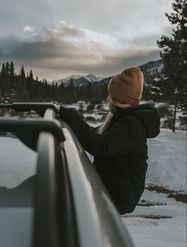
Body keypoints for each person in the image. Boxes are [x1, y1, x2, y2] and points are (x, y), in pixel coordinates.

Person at [59, 67, 160, 214]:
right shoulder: (123, 118)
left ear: (117, 97)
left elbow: (99, 146)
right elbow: (98, 135)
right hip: (113, 184)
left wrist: (72, 117)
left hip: (119, 193)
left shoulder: (131, 125)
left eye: (110, 94)